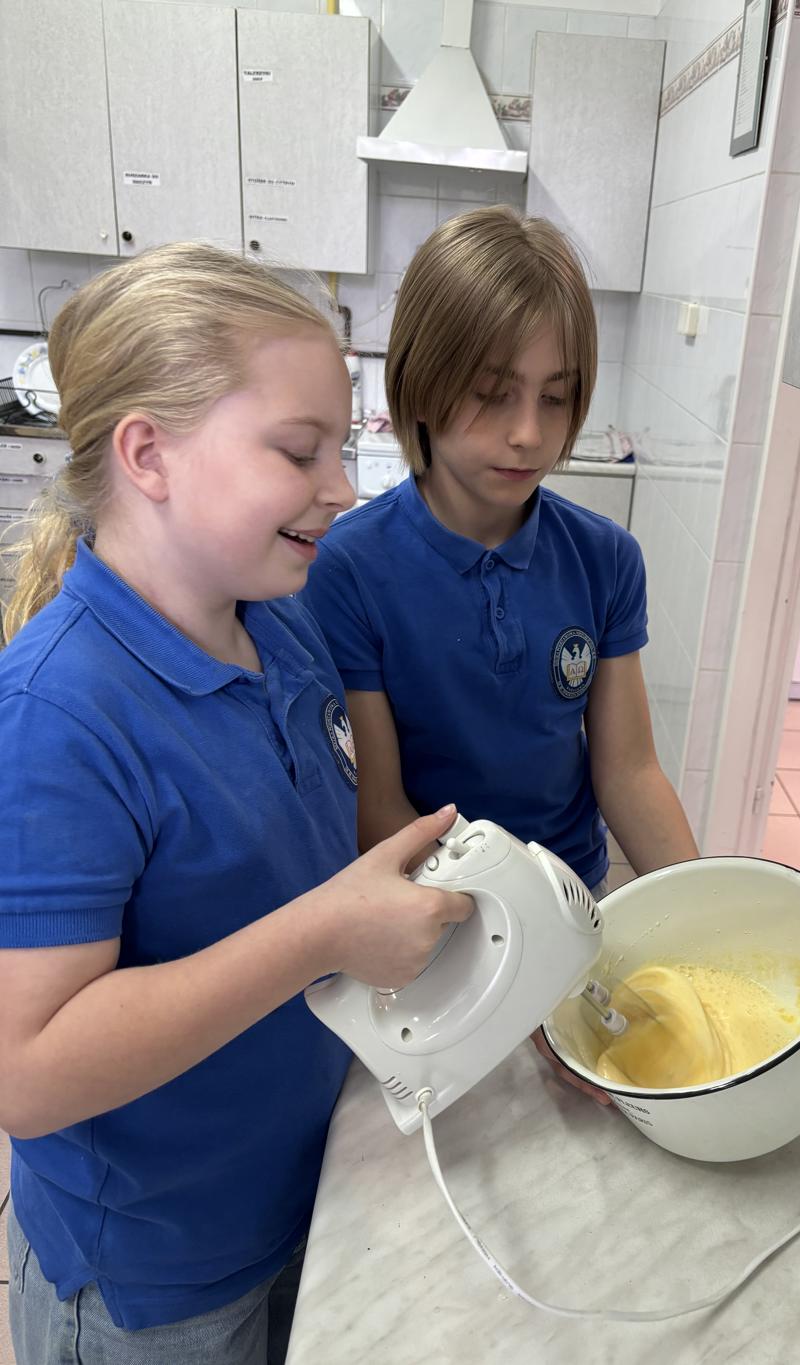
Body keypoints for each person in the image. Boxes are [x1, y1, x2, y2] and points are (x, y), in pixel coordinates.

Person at [0, 242, 471, 1365]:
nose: (343, 488)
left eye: (339, 447)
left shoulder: (282, 624)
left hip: (299, 1189)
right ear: (148, 455)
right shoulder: (59, 714)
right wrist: (323, 933)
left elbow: (317, 859)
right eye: (299, 451)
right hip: (158, 1277)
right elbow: (28, 1070)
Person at [301, 205, 699, 906]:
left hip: (575, 893)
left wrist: (703, 912)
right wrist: (509, 922)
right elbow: (381, 809)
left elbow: (629, 773)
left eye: (556, 397)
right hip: (436, 904)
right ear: (421, 385)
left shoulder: (605, 558)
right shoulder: (347, 570)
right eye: (492, 394)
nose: (528, 433)